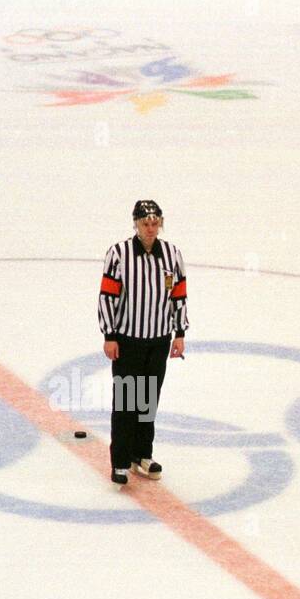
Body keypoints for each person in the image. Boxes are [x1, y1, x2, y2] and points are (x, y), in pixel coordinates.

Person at [97, 200, 189, 487]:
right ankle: (121, 461)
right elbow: (107, 295)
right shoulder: (119, 254)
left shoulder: (172, 254)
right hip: (127, 339)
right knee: (126, 399)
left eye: (154, 223)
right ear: (135, 224)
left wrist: (179, 332)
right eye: (144, 224)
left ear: (160, 223)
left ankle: (142, 455)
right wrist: (109, 335)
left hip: (159, 340)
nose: (150, 229)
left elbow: (179, 294)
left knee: (148, 400)